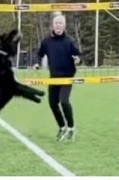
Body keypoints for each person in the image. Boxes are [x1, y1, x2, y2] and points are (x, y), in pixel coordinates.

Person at [35, 13, 81, 141]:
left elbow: (78, 56)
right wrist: (37, 63)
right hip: (53, 76)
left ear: (64, 25)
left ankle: (71, 128)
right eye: (56, 23)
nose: (58, 25)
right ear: (53, 25)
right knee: (52, 103)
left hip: (67, 76)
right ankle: (62, 127)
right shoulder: (47, 41)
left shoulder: (70, 41)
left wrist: (78, 60)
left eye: (60, 23)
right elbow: (39, 54)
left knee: (64, 101)